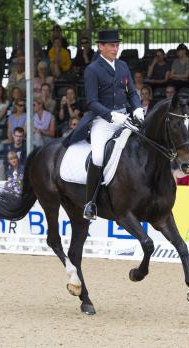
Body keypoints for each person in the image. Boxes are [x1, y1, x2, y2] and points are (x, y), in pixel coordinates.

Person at [64, 30, 143, 220]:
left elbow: (131, 92)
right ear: (101, 47)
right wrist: (110, 115)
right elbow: (91, 102)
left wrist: (138, 108)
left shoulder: (123, 66)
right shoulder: (93, 69)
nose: (115, 49)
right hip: (103, 121)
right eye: (111, 46)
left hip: (125, 118)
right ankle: (90, 203)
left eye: (117, 45)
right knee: (98, 156)